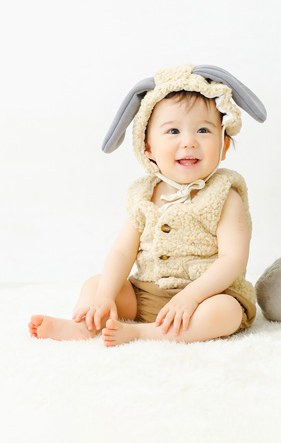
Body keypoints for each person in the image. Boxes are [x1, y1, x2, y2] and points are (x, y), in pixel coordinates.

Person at [29, 64, 266, 347]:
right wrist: (105, 296)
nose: (189, 142)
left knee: (225, 313)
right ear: (148, 148)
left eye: (203, 130)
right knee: (95, 284)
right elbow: (122, 251)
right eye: (173, 131)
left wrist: (190, 297)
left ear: (224, 145)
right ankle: (83, 325)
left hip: (206, 296)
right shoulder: (143, 194)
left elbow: (233, 259)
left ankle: (143, 332)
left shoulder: (225, 195)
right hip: (145, 294)